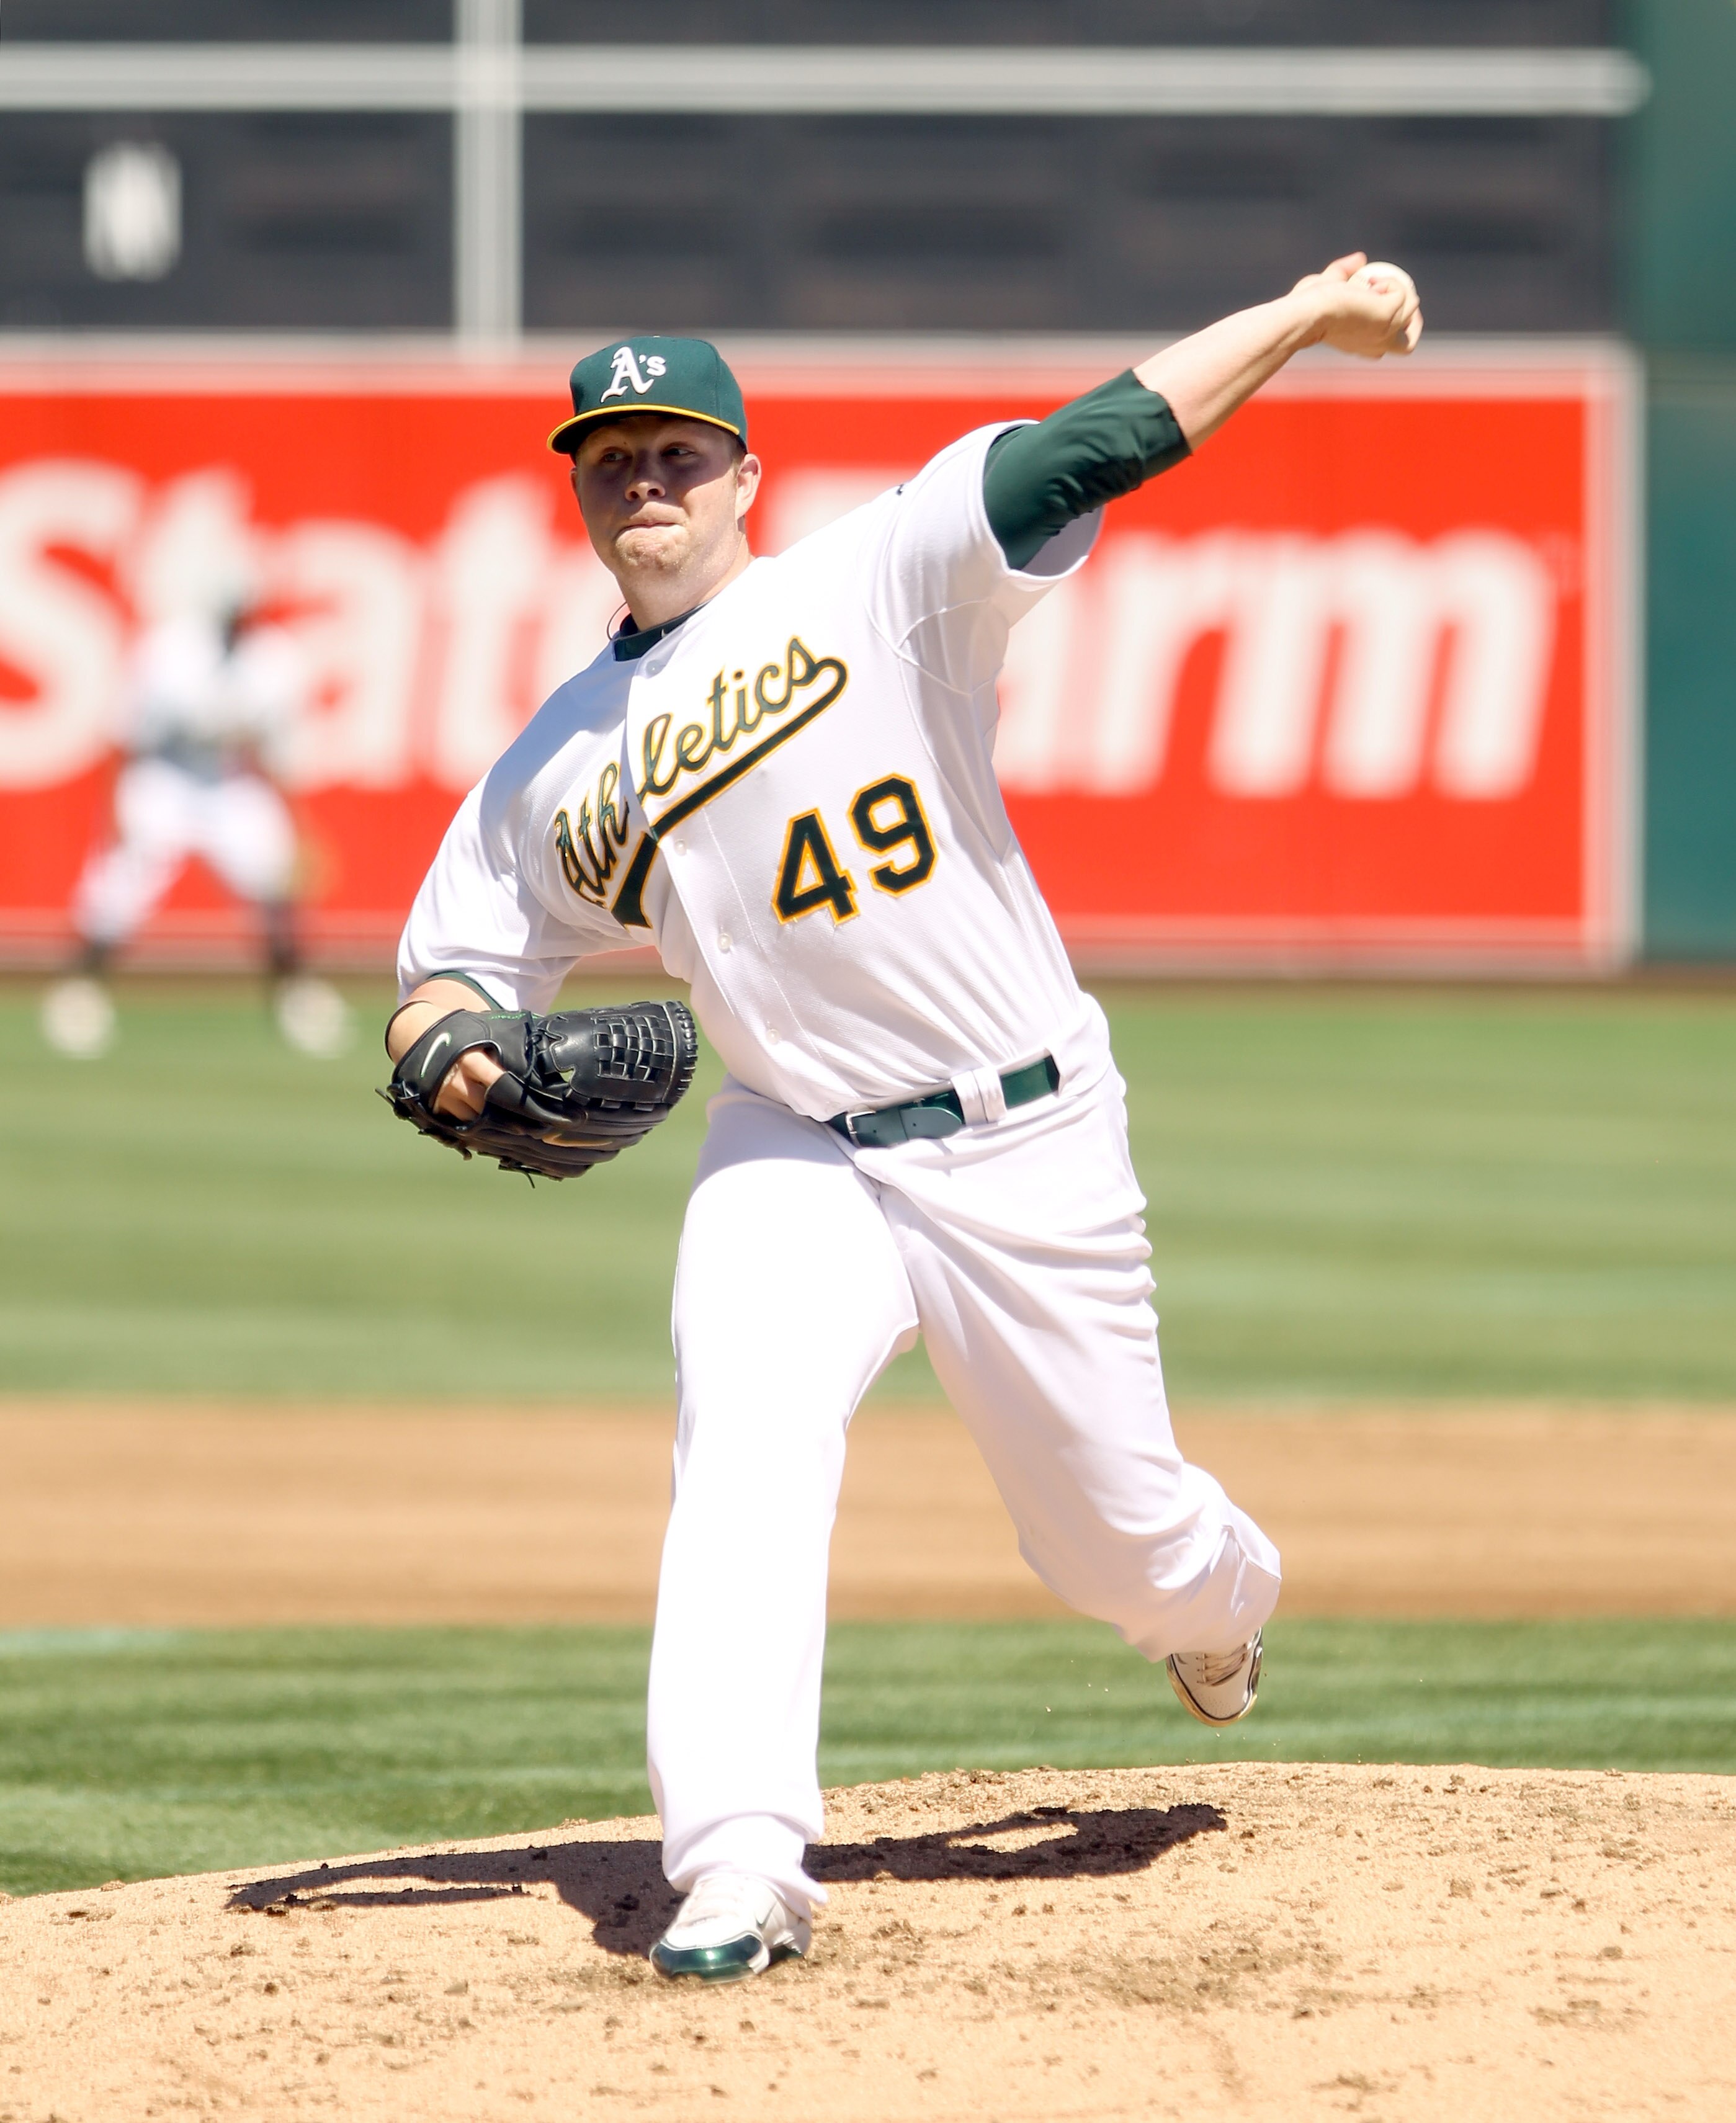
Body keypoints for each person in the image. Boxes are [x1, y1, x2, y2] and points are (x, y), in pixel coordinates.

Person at [388, 254, 1423, 1983]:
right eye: (609, 459)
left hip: (1021, 1130)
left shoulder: (878, 577)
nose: (644, 482)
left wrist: (1304, 315)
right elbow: (448, 972)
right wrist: (449, 1051)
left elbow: (1099, 438)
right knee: (744, 1434)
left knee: (1119, 1546)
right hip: (793, 1138)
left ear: (745, 475)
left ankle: (1218, 1597)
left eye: (676, 452)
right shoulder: (557, 761)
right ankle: (736, 1864)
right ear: (576, 493)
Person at [41, 588, 351, 1061]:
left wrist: (299, 830)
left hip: (227, 778)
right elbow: (125, 735)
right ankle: (80, 991)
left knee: (275, 878)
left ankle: (296, 994)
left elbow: (277, 755)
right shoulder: (170, 650)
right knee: (122, 884)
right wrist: (116, 808)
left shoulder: (275, 660)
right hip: (164, 773)